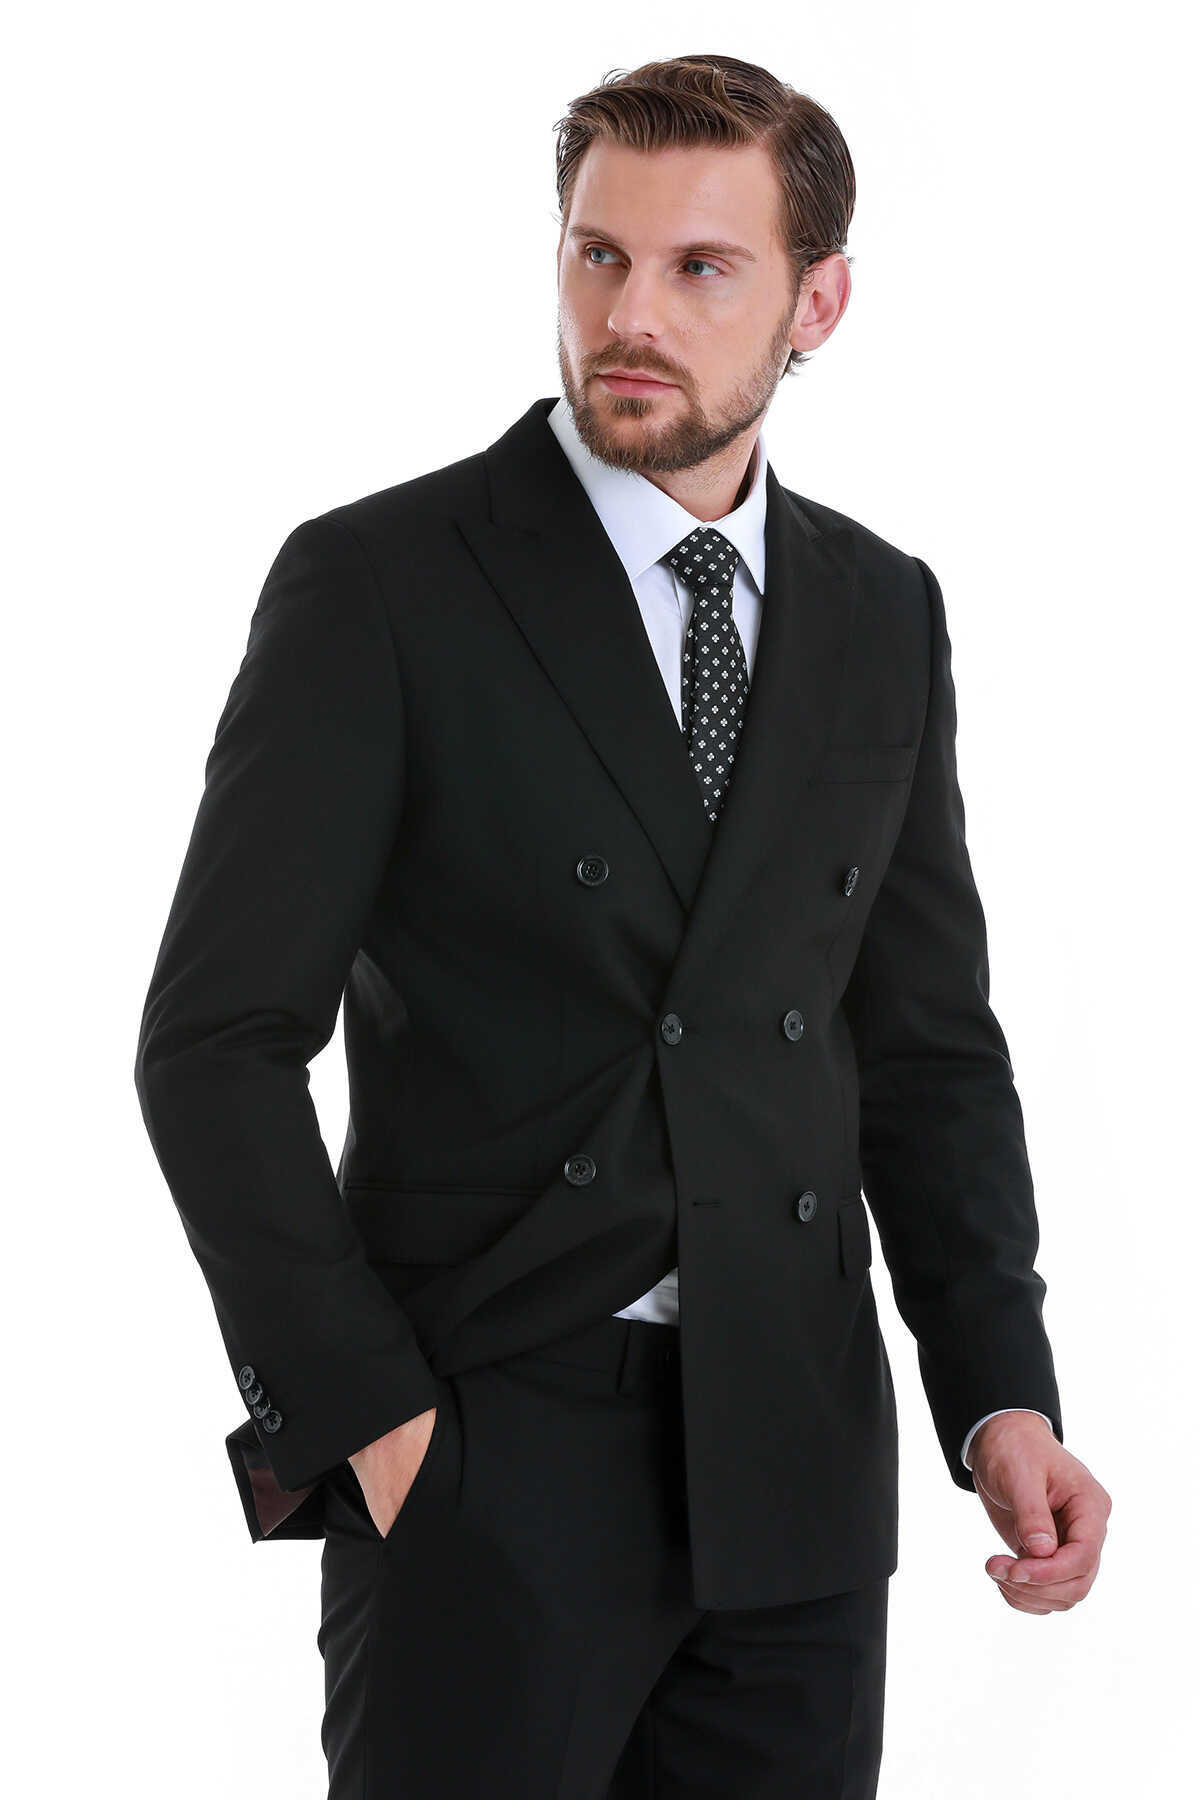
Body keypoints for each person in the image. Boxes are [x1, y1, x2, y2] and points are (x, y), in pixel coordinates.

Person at [133, 52, 1111, 1799]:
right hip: (486, 1451)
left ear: (819, 303)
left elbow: (925, 1049)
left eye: (699, 268)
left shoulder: (883, 611)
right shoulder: (383, 584)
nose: (629, 317)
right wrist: (372, 1422)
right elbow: (214, 1046)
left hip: (799, 1472)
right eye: (600, 256)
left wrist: (1001, 1398)